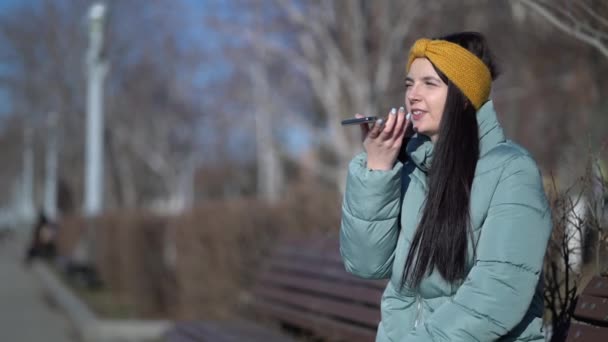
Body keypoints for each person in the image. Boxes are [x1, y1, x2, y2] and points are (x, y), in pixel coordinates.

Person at [340, 31, 552, 341]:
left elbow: (497, 292)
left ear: (464, 96)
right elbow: (365, 264)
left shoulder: (511, 171)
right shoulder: (411, 169)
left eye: (430, 83)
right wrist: (377, 170)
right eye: (409, 84)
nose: (413, 95)